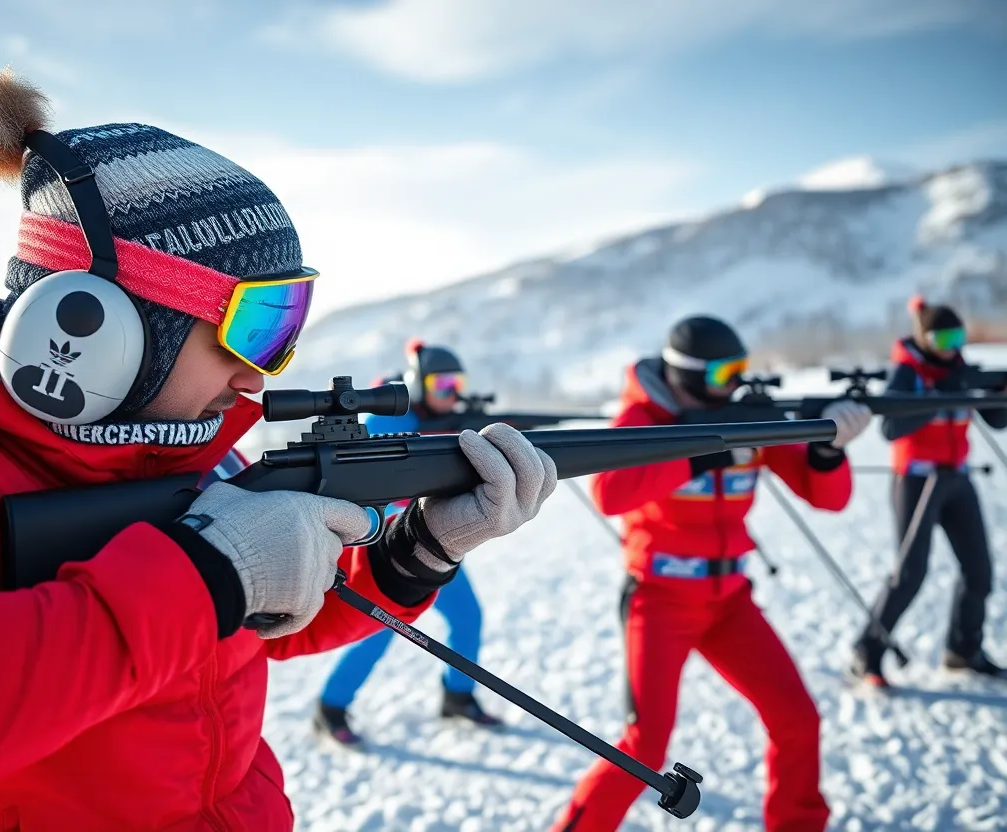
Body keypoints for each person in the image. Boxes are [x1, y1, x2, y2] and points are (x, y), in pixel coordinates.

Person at [0, 71, 558, 832]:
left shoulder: (177, 447)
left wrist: (411, 554)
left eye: (280, 330)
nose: (255, 375)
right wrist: (207, 573)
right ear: (102, 324)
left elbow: (257, 621)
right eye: (250, 326)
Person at [550, 315, 872, 832]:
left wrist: (828, 450)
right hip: (659, 599)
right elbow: (609, 492)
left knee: (797, 719)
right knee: (643, 745)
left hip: (730, 602)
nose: (734, 385)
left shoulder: (744, 416)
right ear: (686, 375)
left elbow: (827, 498)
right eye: (724, 374)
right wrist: (702, 455)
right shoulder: (642, 417)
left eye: (740, 371)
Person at [312, 341, 504, 746]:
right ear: (419, 384)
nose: (450, 392)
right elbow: (369, 477)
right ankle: (330, 707)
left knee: (468, 617)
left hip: (429, 539)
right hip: (382, 545)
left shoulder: (450, 419)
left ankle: (458, 696)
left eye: (457, 383)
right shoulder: (386, 417)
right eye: (441, 383)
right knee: (377, 630)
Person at [850, 297, 1007, 686]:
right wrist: (938, 396)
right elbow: (890, 428)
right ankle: (866, 651)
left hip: (958, 478)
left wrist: (997, 392)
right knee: (910, 574)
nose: (952, 345)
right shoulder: (908, 373)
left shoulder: (961, 370)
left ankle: (963, 650)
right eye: (942, 338)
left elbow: (997, 420)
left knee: (979, 573)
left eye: (958, 336)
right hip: (917, 481)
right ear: (924, 339)